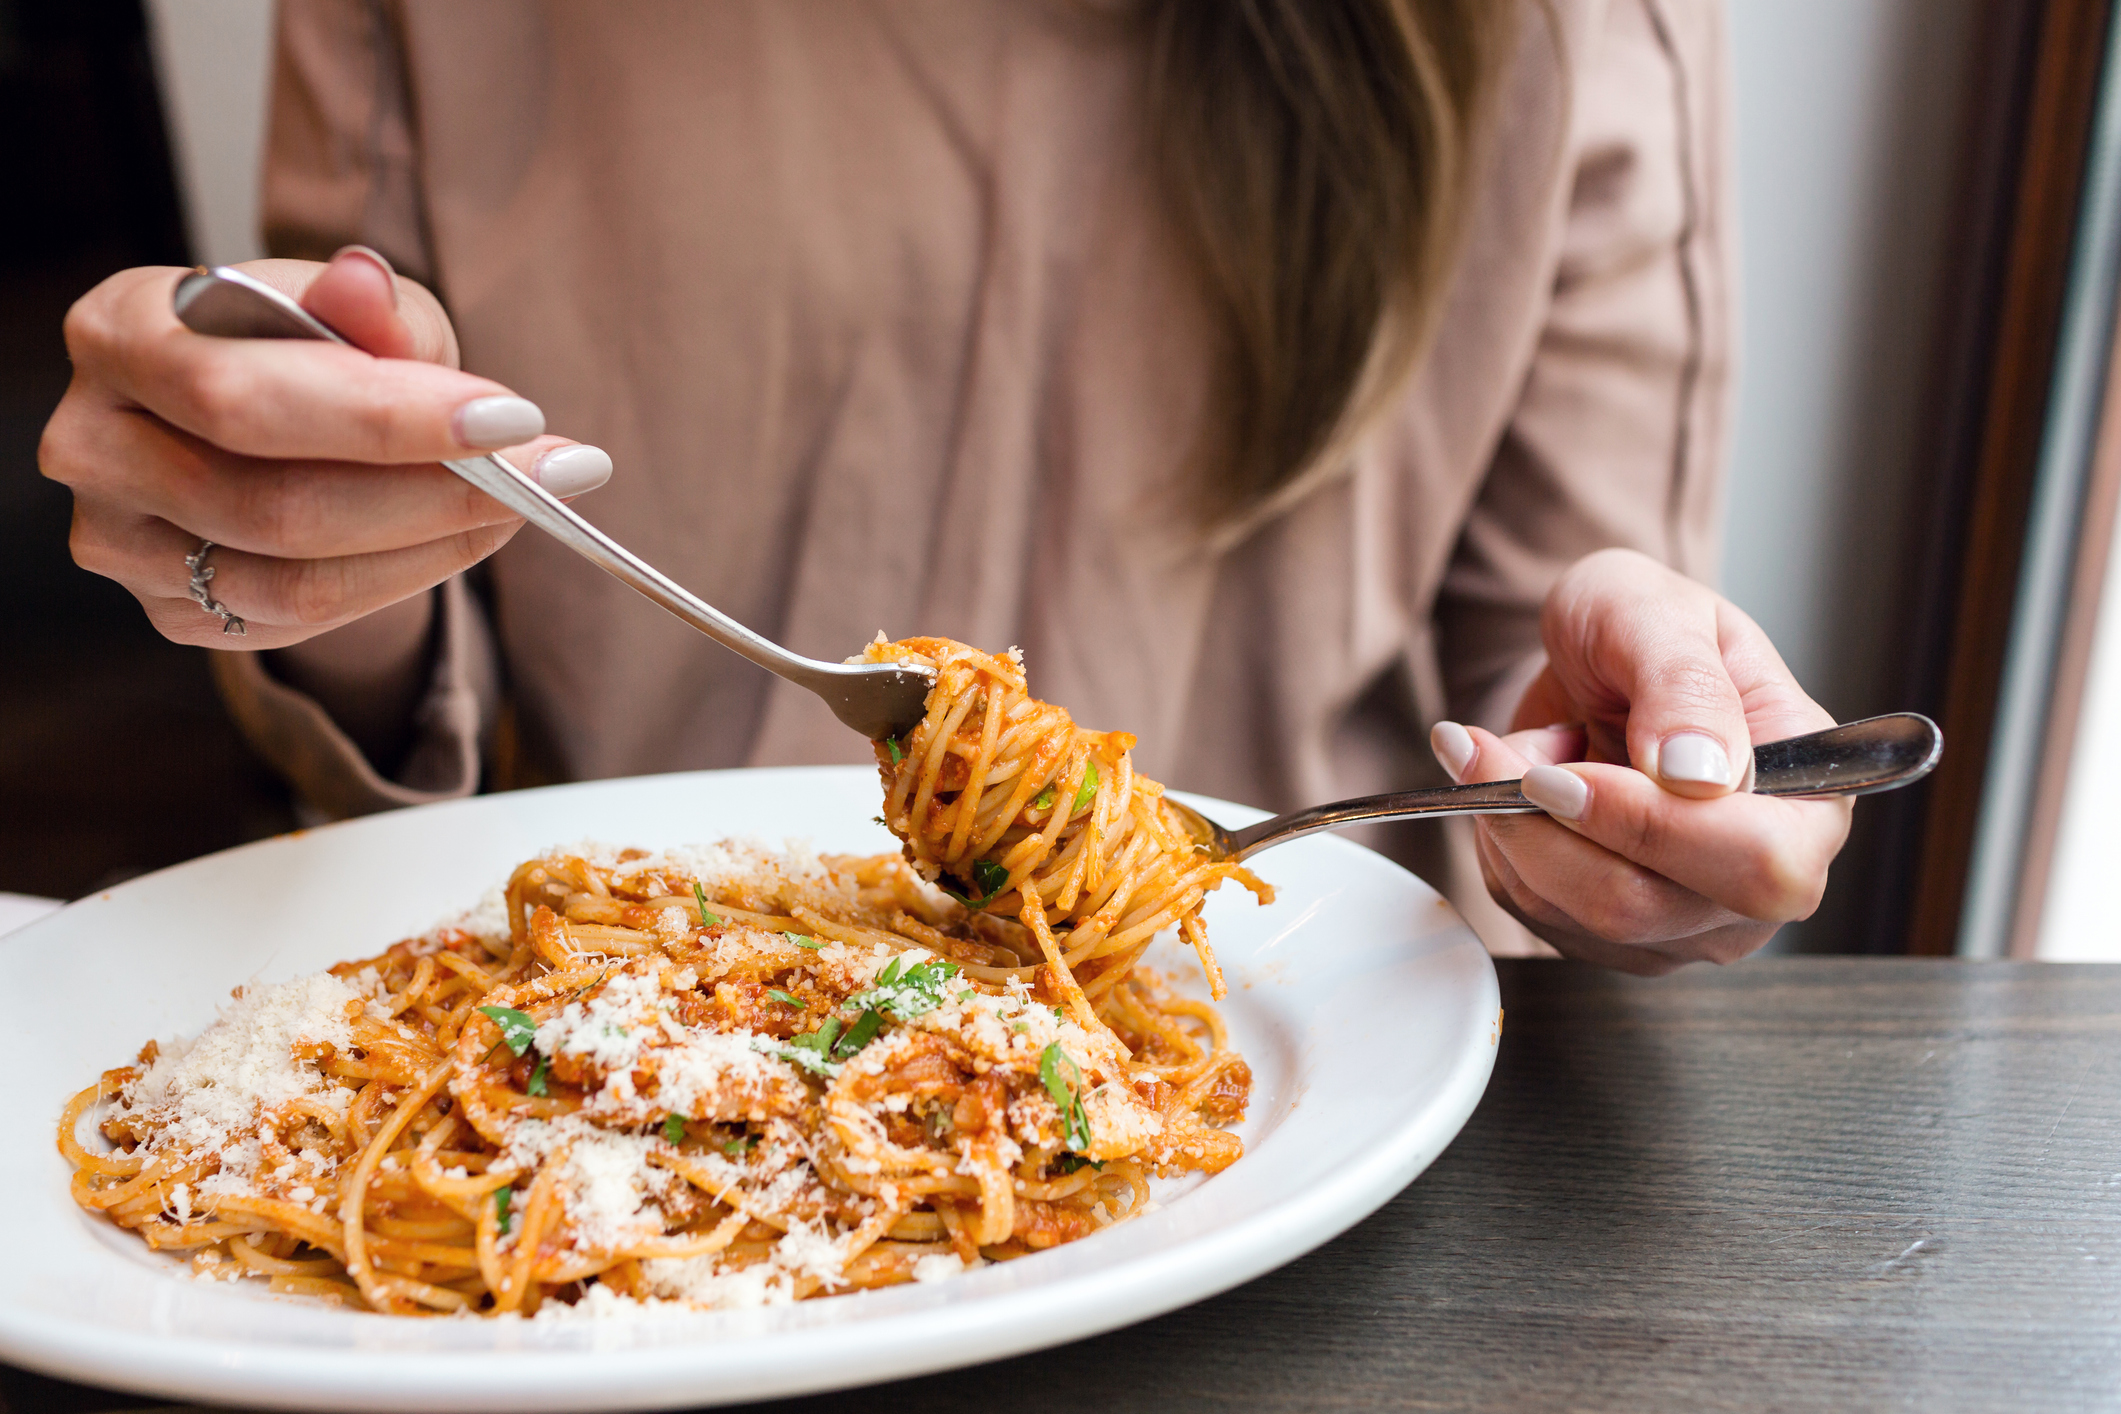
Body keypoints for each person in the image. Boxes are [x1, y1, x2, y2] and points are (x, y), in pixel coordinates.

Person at [39, 0, 1848, 974]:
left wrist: (1624, 819)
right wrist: (298, 539)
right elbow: (390, 696)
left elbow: (1552, 700)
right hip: (620, 1036)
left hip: (1286, 1083)